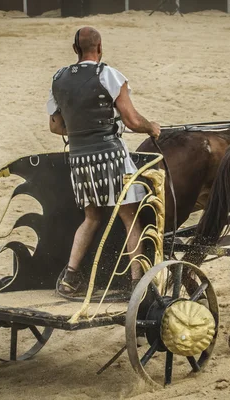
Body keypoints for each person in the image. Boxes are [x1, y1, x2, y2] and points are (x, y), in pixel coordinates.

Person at [47, 27, 161, 295]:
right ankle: (136, 282)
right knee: (130, 217)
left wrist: (82, 130)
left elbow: (55, 126)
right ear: (99, 48)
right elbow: (132, 121)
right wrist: (151, 127)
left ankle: (70, 277)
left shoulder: (58, 78)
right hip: (110, 158)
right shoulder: (109, 75)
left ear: (76, 50)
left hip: (79, 161)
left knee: (92, 217)